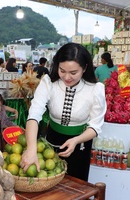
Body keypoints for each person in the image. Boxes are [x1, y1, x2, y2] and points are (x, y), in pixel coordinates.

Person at [20, 43, 106, 181]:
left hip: (80, 144)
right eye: (62, 70)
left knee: (76, 186)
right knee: (47, 182)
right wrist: (31, 148)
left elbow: (96, 126)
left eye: (73, 73)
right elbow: (34, 116)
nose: (66, 77)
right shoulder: (49, 83)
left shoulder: (95, 89)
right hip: (50, 142)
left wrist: (76, 140)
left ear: (84, 68)